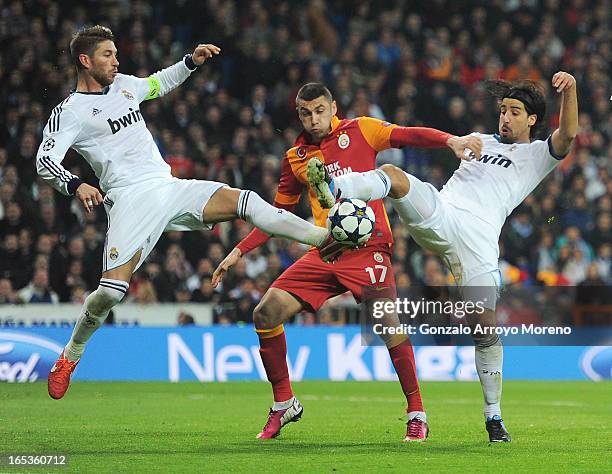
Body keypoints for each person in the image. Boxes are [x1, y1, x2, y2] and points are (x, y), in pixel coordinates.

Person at [39, 26, 334, 400]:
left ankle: (326, 238)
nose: (116, 61)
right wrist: (75, 183)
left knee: (246, 201)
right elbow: (44, 160)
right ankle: (71, 354)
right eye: (107, 55)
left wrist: (189, 63)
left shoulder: (126, 84)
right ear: (85, 61)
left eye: (115, 54)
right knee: (110, 293)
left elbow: (158, 84)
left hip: (169, 187)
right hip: (130, 200)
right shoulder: (70, 113)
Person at [307, 72, 578, 442]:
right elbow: (437, 141)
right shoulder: (479, 141)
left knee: (484, 329)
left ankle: (493, 417)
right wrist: (454, 142)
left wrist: (571, 90)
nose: (505, 117)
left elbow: (568, 136)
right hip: (441, 212)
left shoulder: (536, 155)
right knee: (393, 174)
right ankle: (335, 185)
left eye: (515, 112)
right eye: (502, 110)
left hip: (479, 242)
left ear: (532, 119)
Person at [212, 82, 482, 441]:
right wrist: (239, 250)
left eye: (320, 110)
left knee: (388, 325)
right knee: (265, 312)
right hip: (326, 248)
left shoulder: (361, 129)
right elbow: (277, 215)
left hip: (370, 246)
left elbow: (407, 135)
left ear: (333, 106)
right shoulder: (296, 157)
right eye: (306, 113)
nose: (313, 119)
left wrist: (450, 140)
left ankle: (417, 413)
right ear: (299, 115)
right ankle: (283, 404)